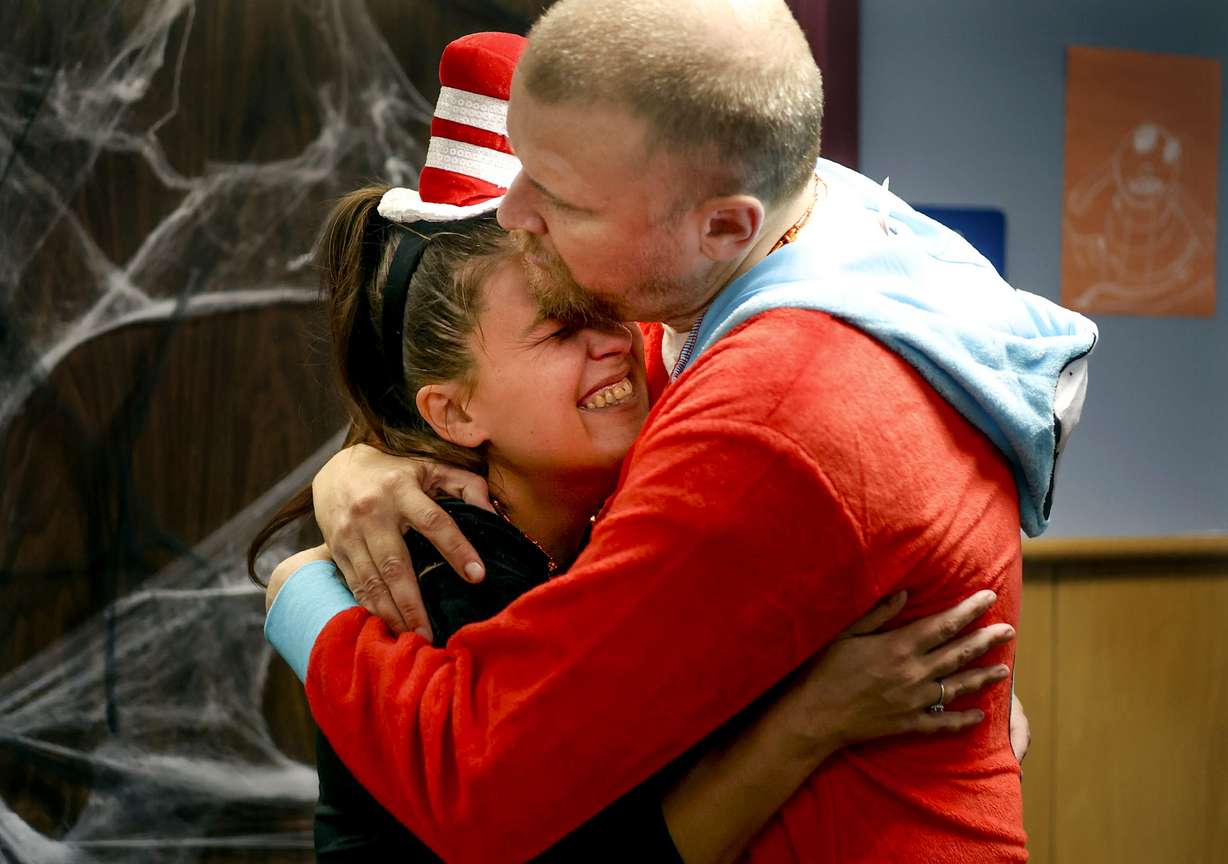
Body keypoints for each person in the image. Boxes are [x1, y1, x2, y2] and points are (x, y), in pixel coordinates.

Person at [272, 5, 1097, 861]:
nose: (516, 209)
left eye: (560, 199)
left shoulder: (766, 407)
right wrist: (359, 462)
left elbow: (477, 774)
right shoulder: (827, 242)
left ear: (723, 226)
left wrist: (295, 589)